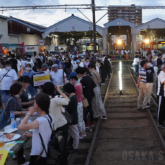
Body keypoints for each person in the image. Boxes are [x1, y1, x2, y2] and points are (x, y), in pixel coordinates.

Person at [19, 93, 54, 165]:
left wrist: (29, 113)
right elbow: (45, 133)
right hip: (45, 150)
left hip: (39, 153)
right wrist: (32, 135)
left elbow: (21, 127)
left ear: (37, 105)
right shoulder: (50, 116)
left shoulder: (40, 120)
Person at [42, 82, 69, 165]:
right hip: (61, 125)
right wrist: (59, 90)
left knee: (53, 147)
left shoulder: (42, 100)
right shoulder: (55, 100)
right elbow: (67, 100)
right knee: (63, 147)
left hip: (51, 127)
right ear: (53, 90)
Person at [68, 72, 86, 139]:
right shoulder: (80, 84)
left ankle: (80, 134)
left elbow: (72, 94)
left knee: (78, 119)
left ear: (73, 79)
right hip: (80, 102)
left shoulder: (75, 86)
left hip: (77, 104)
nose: (70, 81)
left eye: (70, 79)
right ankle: (83, 132)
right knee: (81, 118)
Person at [63, 83, 79, 154]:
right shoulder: (74, 97)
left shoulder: (71, 98)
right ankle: (74, 146)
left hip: (71, 119)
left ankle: (75, 147)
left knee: (75, 134)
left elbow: (67, 109)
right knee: (74, 133)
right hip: (73, 117)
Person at [157, 64, 165, 128]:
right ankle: (159, 122)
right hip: (161, 94)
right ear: (163, 69)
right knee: (161, 109)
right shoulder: (161, 74)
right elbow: (164, 81)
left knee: (163, 109)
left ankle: (162, 121)